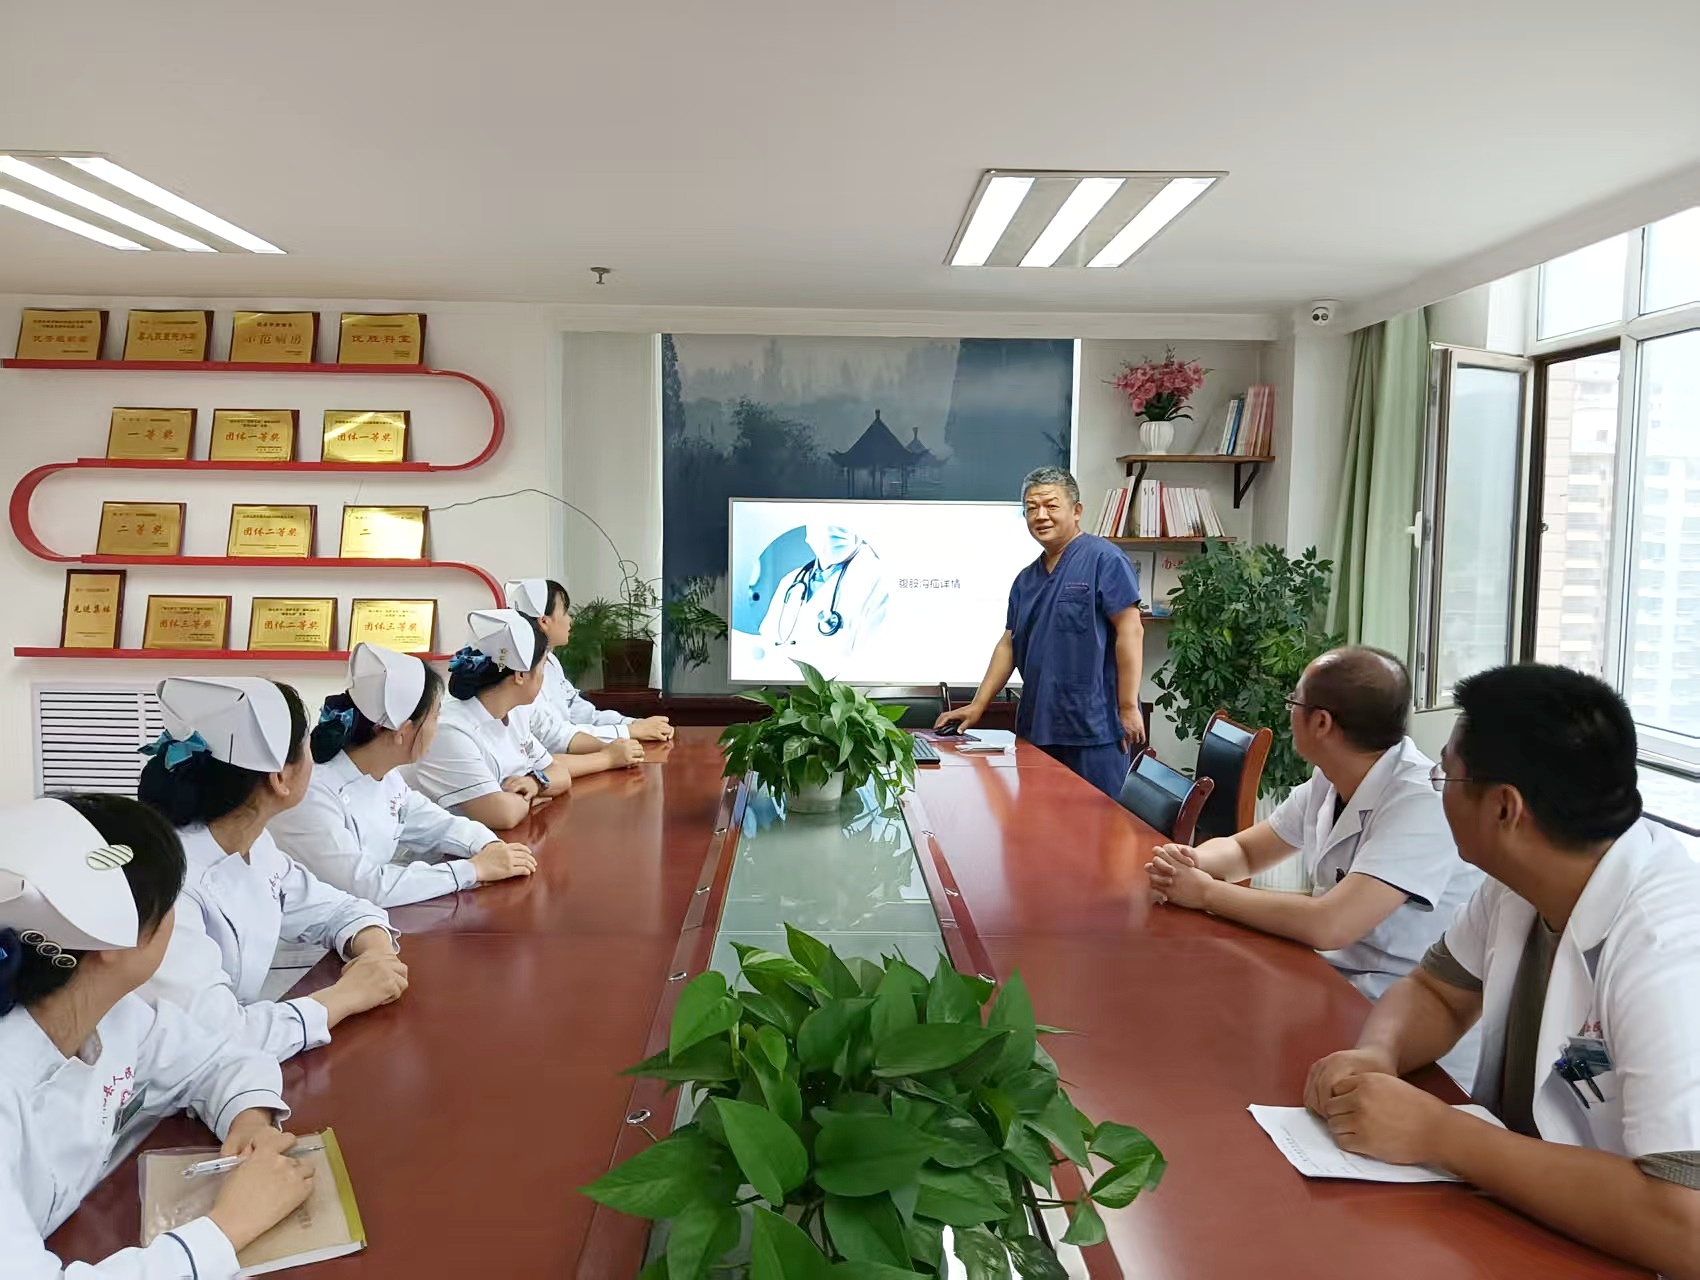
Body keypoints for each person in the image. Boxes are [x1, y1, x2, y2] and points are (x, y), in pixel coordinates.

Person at [1304, 665, 1700, 1279]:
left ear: (1504, 808)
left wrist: (1441, 1135)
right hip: (1513, 1222)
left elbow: (1685, 1223)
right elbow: (1437, 991)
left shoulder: (1668, 947)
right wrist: (1379, 1054)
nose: (1438, 789)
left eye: (1447, 775)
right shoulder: (1523, 881)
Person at [1, 793, 314, 1279]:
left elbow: (221, 1060)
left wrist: (249, 1121)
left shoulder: (114, 1015)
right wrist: (228, 1227)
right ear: (114, 939)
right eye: (171, 904)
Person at [1145, 648, 1482, 1019]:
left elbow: (1330, 924)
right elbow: (1247, 852)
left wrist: (1205, 892)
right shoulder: (1331, 777)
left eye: (1294, 701)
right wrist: (1189, 861)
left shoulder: (1420, 801)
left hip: (1396, 1006)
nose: (1289, 711)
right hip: (1332, 978)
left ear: (1321, 723)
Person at [137, 675, 409, 1063]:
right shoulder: (170, 885)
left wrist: (375, 954)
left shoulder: (254, 845)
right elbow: (214, 1040)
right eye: (306, 746)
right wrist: (347, 995)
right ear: (280, 777)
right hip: (157, 1090)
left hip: (235, 1066)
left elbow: (338, 908)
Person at [267, 644, 538, 907]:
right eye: (435, 717)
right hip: (312, 935)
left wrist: (488, 845)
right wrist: (472, 870)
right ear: (404, 731)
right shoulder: (314, 794)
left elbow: (438, 824)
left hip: (364, 921)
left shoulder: (385, 777)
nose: (438, 728)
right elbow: (365, 886)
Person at [936, 467, 1145, 797]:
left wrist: (1128, 706)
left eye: (1051, 505)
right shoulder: (1026, 579)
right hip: (1039, 725)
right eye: (1031, 508)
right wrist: (978, 705)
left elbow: (1131, 631)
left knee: (1098, 823)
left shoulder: (1105, 559)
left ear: (1076, 511)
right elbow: (1009, 644)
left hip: (1095, 728)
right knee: (1038, 820)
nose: (1041, 516)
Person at [409, 609, 642, 829]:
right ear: (520, 675)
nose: (544, 676)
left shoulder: (514, 712)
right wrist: (534, 795)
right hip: (449, 855)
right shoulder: (450, 729)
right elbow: (503, 814)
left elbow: (558, 772)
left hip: (502, 843)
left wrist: (535, 784)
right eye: (542, 667)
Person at [505, 578, 673, 748]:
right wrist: (629, 731)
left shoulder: (551, 662)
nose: (570, 620)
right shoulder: (521, 672)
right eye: (565, 612)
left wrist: (634, 724)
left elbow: (583, 714)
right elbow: (553, 736)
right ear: (544, 621)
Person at [750, 523, 890, 676]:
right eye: (822, 518)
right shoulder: (790, 581)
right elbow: (767, 643)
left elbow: (870, 664)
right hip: (781, 684)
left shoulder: (881, 579)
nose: (832, 526)